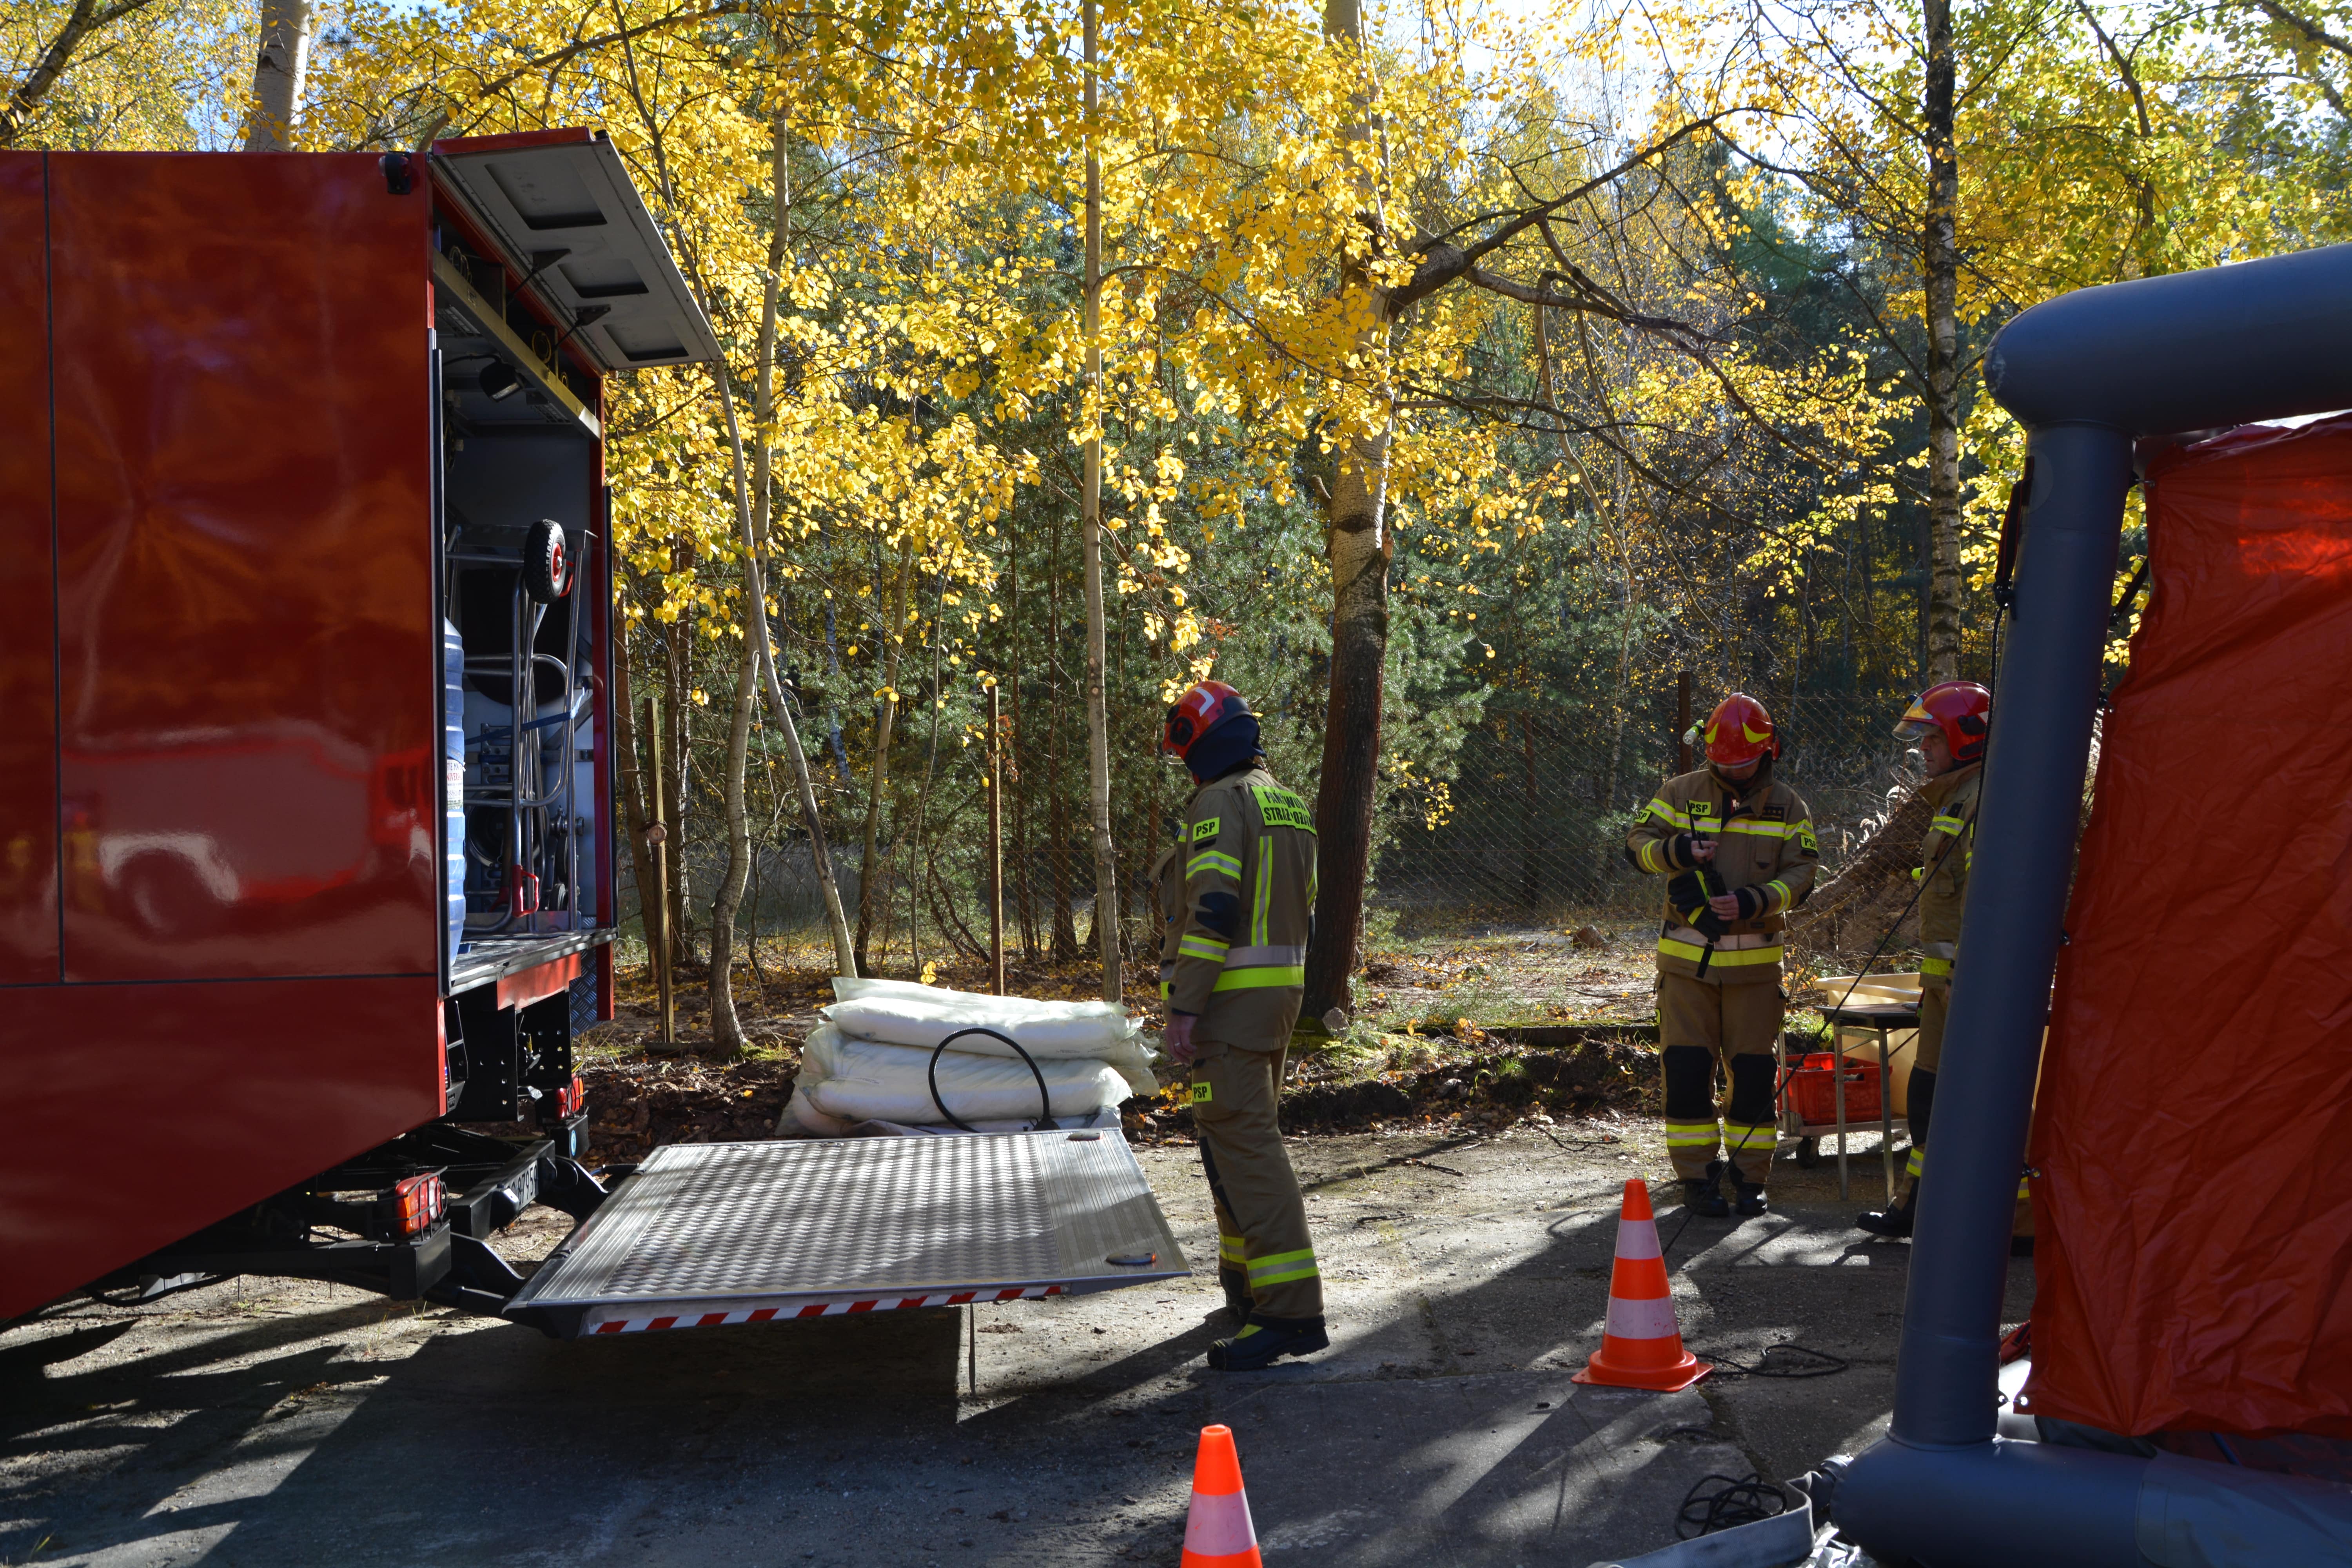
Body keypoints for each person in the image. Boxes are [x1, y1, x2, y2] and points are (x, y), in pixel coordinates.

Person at [1153, 680, 1324, 1370]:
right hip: (1275, 1001)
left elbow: (1214, 912)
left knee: (1247, 1152)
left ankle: (1289, 1312)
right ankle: (1246, 1285)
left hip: (1226, 1006)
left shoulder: (1220, 802)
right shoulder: (1286, 802)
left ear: (1205, 744)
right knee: (1231, 1144)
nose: (1186, 769)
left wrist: (1185, 1008)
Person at [1626, 693, 1821, 1218]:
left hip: (1756, 973)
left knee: (1754, 1077)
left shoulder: (1788, 806)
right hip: (1686, 968)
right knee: (1687, 1071)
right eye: (1720, 762)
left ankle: (1750, 1178)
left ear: (1767, 752)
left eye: (1740, 763)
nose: (1729, 770)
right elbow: (1637, 843)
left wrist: (1753, 901)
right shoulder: (1680, 792)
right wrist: (1677, 853)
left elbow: (1803, 874)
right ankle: (1697, 1179)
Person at [1858, 681, 1991, 1238]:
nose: (1922, 751)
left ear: (1964, 737)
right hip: (1944, 988)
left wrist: (1970, 977)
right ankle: (1915, 1207)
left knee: (1972, 1101)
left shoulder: (1988, 798)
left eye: (1931, 739)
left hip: (1972, 987)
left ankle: (1980, 1221)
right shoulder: (1956, 796)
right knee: (1927, 1094)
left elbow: (1990, 901)